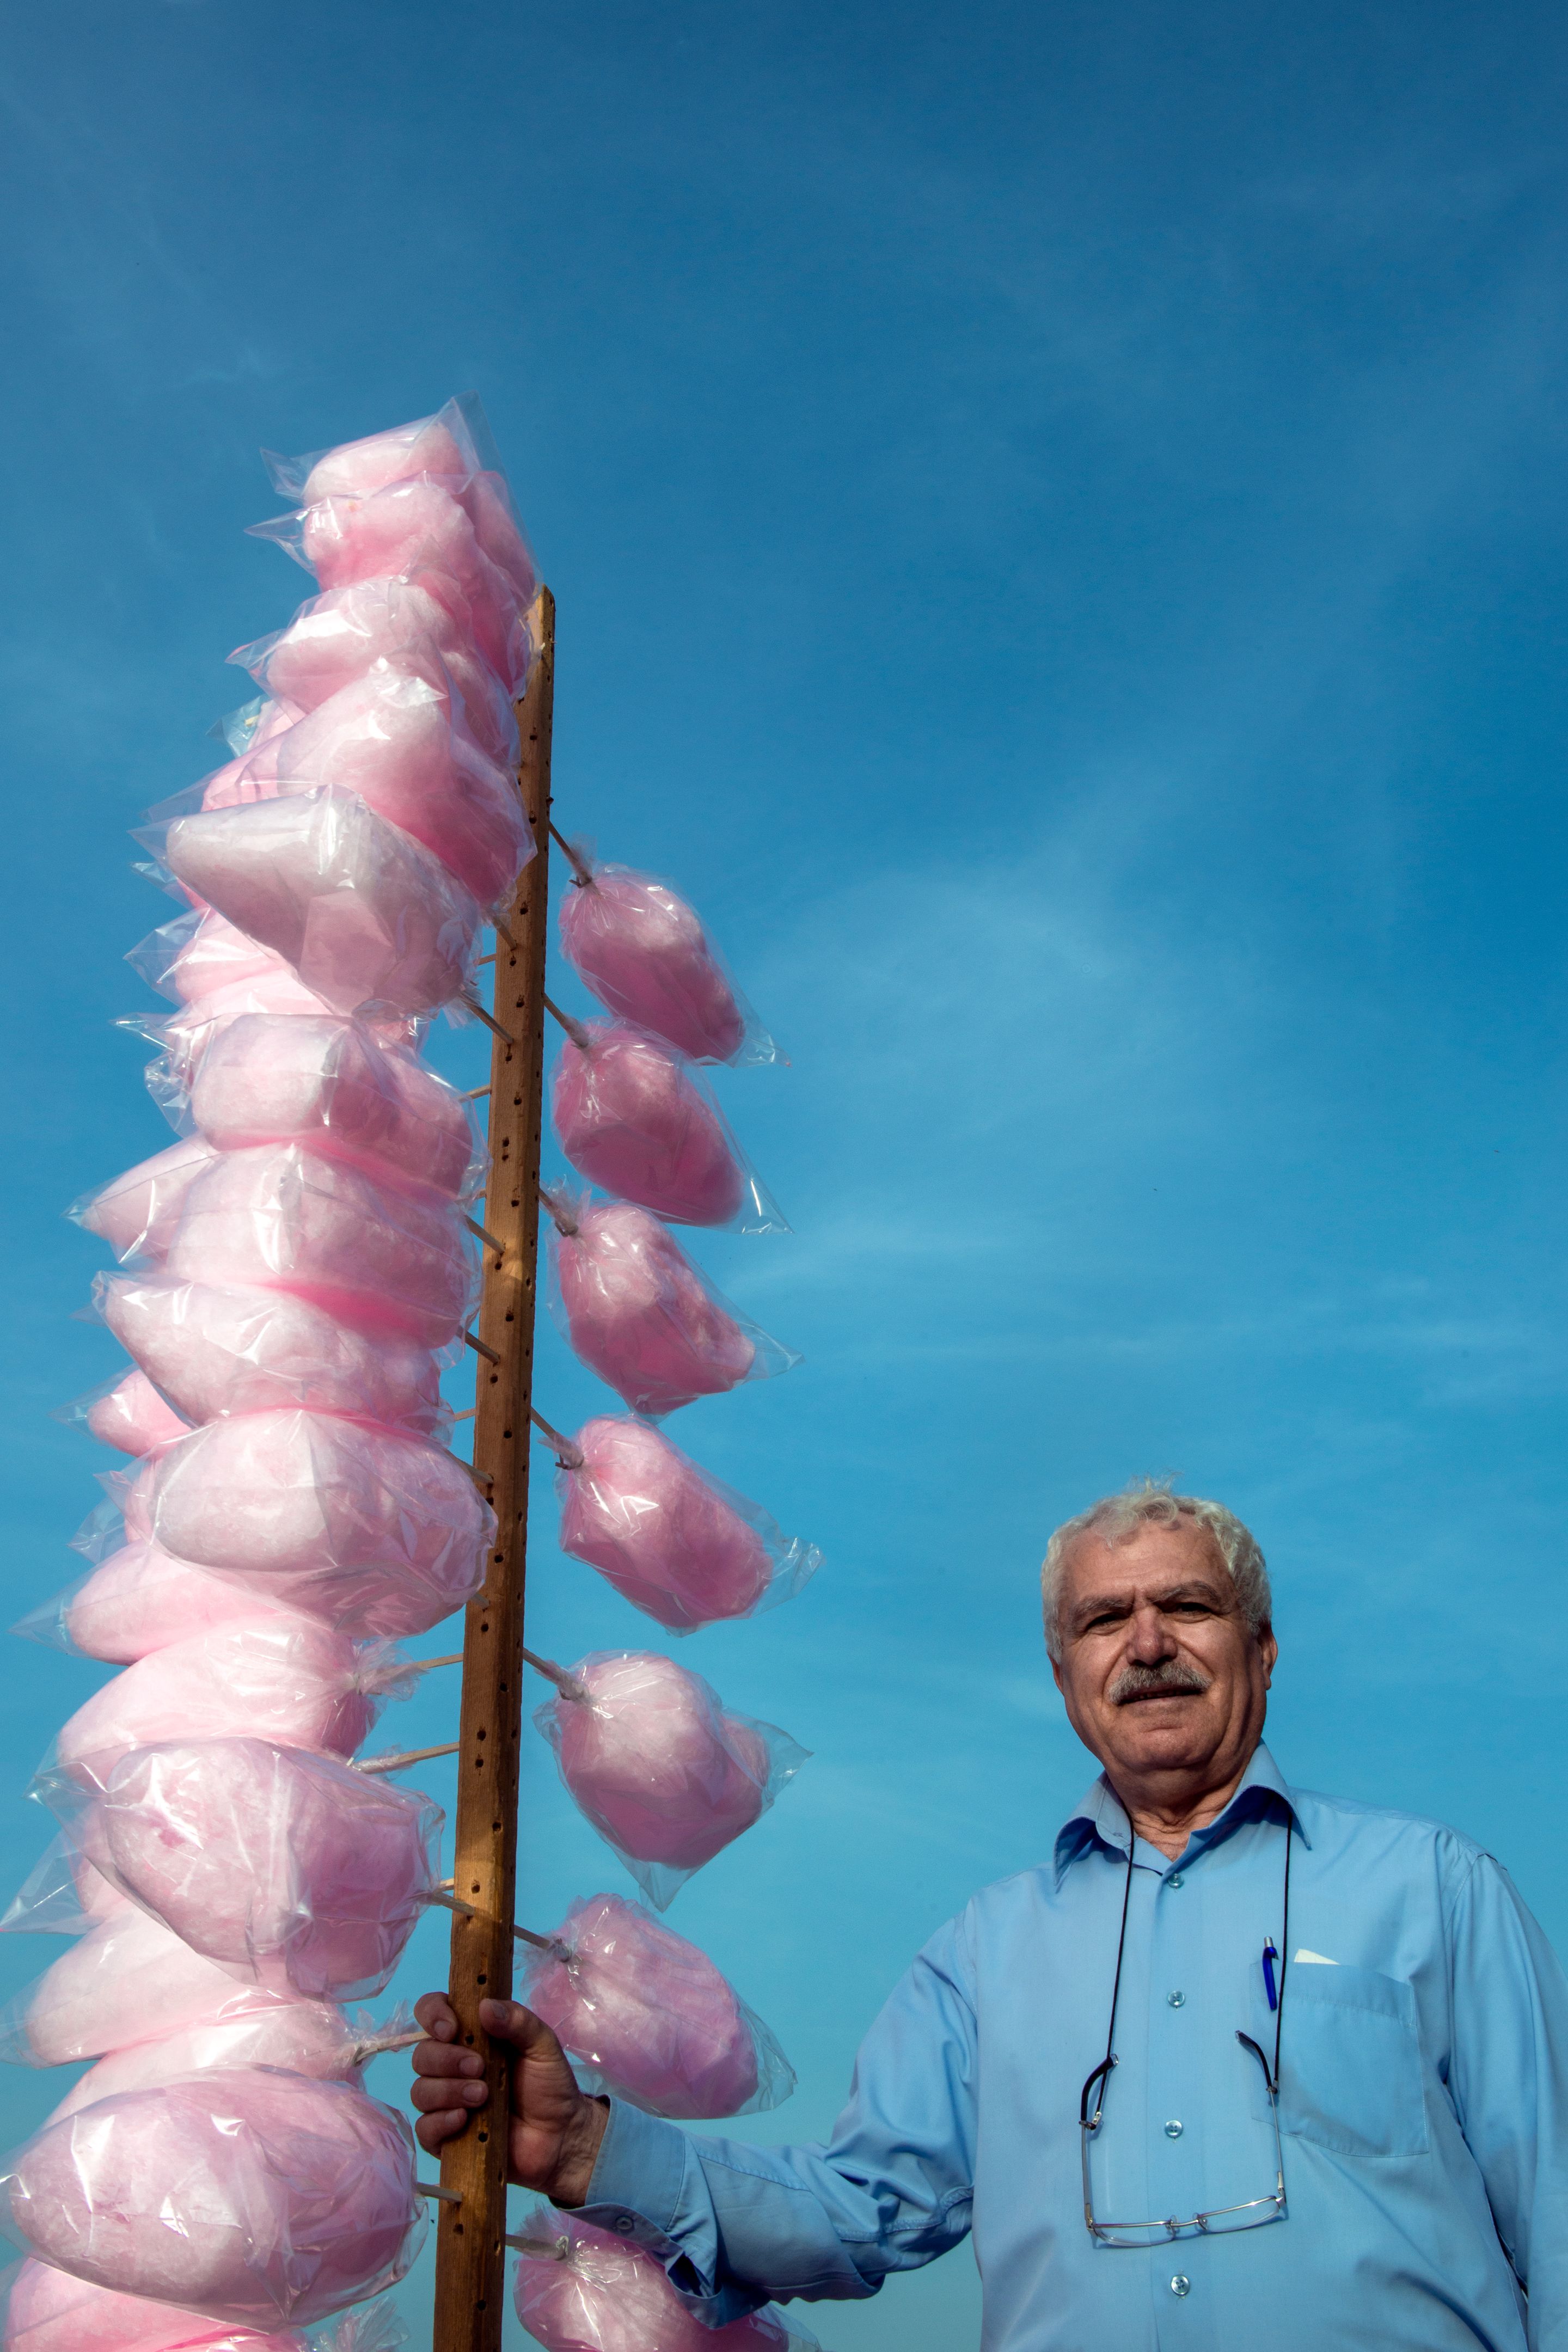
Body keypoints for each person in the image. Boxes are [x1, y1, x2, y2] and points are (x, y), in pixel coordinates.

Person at [411, 1480, 1568, 2349]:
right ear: (1066, 1679)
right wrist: (587, 2147)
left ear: (1260, 1651)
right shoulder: (981, 1957)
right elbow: (858, 2212)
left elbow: (1552, 2208)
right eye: (1105, 1621)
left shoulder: (1431, 1890)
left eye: (1190, 1608)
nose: (1149, 1642)